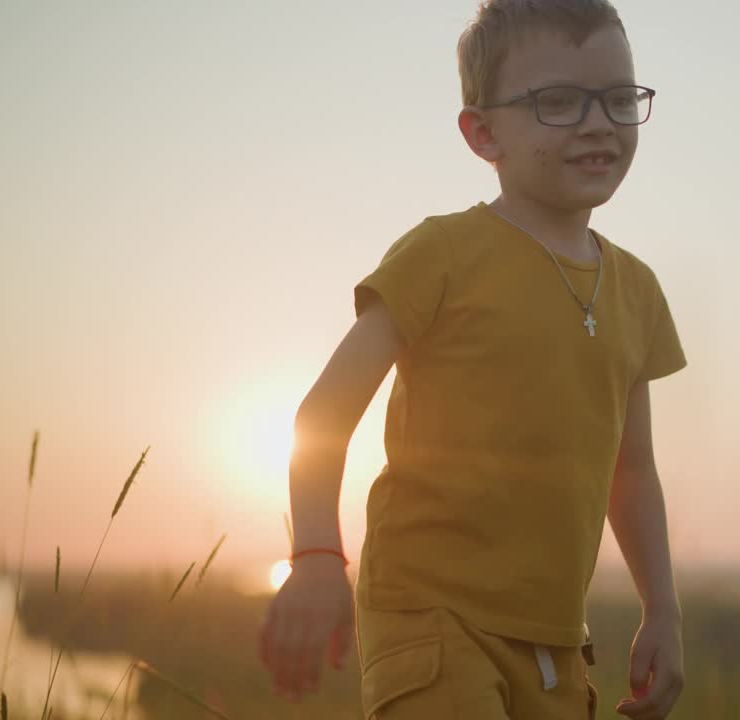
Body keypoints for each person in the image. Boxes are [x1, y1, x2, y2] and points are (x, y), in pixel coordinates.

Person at [258, 1, 687, 717]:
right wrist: (315, 558)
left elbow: (632, 469)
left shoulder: (637, 291)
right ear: (482, 133)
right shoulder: (443, 254)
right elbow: (323, 414)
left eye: (617, 99)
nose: (597, 122)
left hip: (555, 643)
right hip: (430, 618)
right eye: (558, 102)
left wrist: (663, 610)